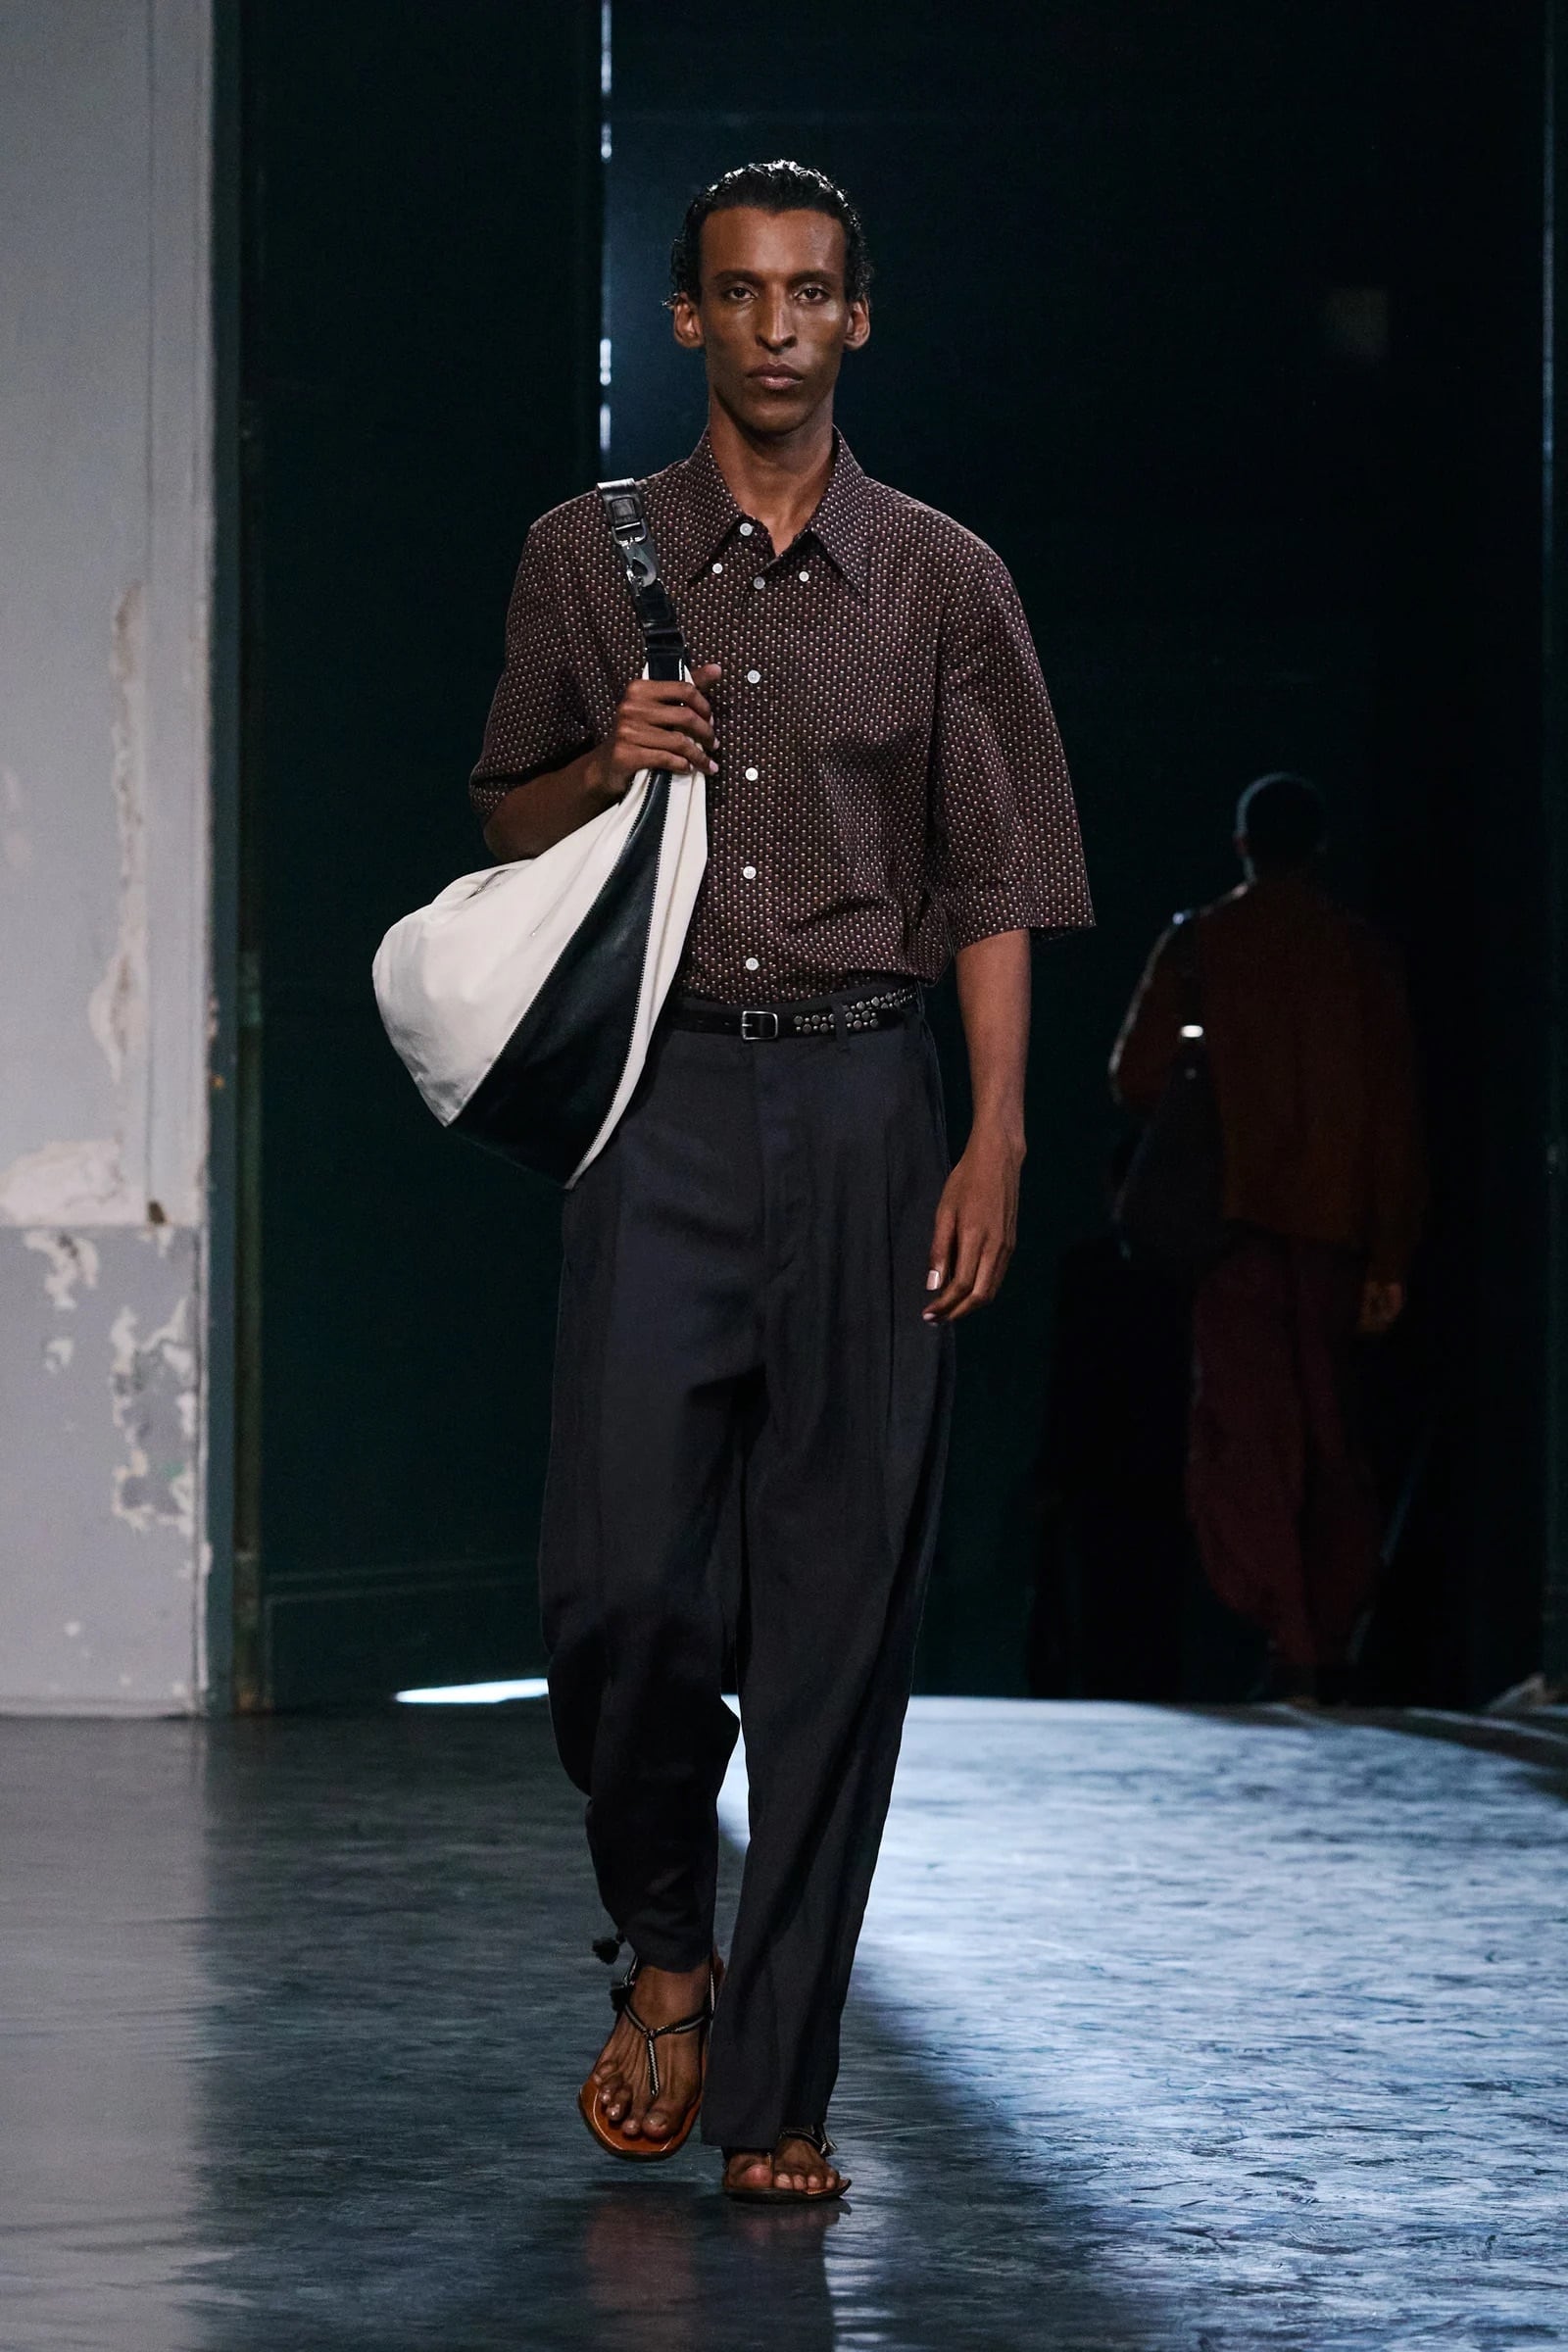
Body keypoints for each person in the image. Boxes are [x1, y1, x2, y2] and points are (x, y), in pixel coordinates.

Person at [469, 161, 1092, 2200]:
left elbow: (998, 876)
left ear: (856, 318)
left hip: (867, 1108)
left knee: (836, 1617)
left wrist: (995, 1132)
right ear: (685, 318)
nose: (773, 325)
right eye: (737, 293)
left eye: (809, 292)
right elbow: (502, 809)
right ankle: (667, 1944)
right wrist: (605, 762)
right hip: (657, 1107)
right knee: (614, 1593)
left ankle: (779, 2092)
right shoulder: (587, 555)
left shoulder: (946, 581)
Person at [1109, 773, 1423, 1702]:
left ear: (1242, 845)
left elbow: (1135, 1078)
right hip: (1335, 1234)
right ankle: (1327, 1639)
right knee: (1333, 1438)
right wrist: (1392, 1253)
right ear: (1319, 849)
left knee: (1247, 1441)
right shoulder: (1357, 953)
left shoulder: (1201, 943)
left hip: (1235, 1228)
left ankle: (1288, 1639)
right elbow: (1396, 1111)